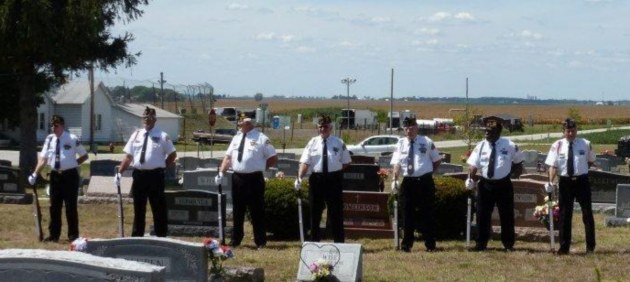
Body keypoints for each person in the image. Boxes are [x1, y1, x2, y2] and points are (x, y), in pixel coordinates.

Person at [215, 117, 277, 248]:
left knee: (257, 211)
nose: (239, 123)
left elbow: (273, 158)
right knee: (238, 211)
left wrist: (260, 167)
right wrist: (221, 172)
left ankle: (260, 241)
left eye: (242, 121)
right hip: (238, 178)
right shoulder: (236, 138)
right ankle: (236, 239)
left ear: (249, 123)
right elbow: (228, 157)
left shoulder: (261, 138)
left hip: (254, 179)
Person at [116, 106, 177, 237]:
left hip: (156, 176)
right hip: (139, 175)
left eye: (149, 117)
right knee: (138, 208)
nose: (146, 120)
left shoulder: (162, 136)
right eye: (144, 117)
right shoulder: (136, 135)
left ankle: (161, 235)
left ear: (155, 119)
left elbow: (172, 155)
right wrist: (120, 172)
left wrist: (163, 166)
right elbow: (128, 156)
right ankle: (137, 236)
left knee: (158, 208)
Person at [466, 115, 524, 252]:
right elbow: (473, 165)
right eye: (485, 131)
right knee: (482, 215)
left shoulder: (509, 145)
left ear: (498, 131)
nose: (486, 134)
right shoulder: (480, 146)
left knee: (507, 215)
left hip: (504, 184)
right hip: (485, 184)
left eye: (490, 132)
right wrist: (470, 178)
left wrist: (513, 174)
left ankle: (508, 244)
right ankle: (481, 243)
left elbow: (518, 162)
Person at [28, 115, 88, 242]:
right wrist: (35, 174)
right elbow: (43, 159)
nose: (53, 128)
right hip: (55, 175)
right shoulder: (49, 139)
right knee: (54, 206)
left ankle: (73, 235)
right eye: (52, 125)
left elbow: (84, 155)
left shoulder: (72, 138)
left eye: (56, 125)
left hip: (70, 176)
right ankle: (54, 235)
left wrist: (73, 163)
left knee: (70, 206)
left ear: (62, 126)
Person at [295, 115, 351, 243]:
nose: (322, 129)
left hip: (334, 180)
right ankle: (314, 241)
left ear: (330, 127)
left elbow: (347, 162)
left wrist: (335, 169)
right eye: (320, 127)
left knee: (336, 213)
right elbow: (305, 162)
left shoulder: (338, 142)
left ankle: (339, 242)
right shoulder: (312, 143)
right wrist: (299, 178)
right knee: (315, 212)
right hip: (317, 180)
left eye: (325, 126)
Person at [544, 118, 596, 255]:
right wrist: (550, 181)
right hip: (565, 182)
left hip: (582, 182)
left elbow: (590, 161)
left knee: (587, 214)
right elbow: (553, 166)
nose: (571, 134)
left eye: (573, 131)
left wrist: (580, 171)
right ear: (563, 132)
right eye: (568, 131)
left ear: (576, 130)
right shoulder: (557, 145)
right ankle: (564, 247)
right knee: (565, 215)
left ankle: (590, 247)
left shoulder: (585, 144)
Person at [390, 117, 442, 252]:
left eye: (412, 128)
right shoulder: (400, 144)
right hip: (408, 182)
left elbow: (437, 160)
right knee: (407, 214)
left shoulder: (427, 142)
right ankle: (406, 245)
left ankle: (430, 244)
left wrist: (428, 173)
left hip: (424, 182)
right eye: (406, 128)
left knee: (427, 213)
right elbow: (396, 164)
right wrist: (394, 179)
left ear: (417, 128)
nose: (409, 131)